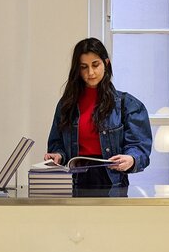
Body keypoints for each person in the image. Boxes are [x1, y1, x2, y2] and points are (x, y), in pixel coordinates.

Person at [45, 37, 152, 190]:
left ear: (106, 63)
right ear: (77, 69)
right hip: (74, 181)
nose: (91, 72)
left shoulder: (127, 104)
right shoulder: (66, 105)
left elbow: (140, 147)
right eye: (84, 67)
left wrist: (131, 159)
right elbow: (56, 143)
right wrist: (58, 156)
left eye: (95, 65)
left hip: (112, 181)